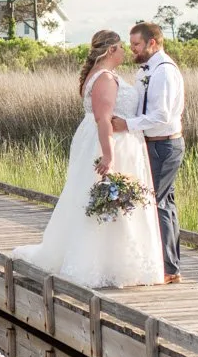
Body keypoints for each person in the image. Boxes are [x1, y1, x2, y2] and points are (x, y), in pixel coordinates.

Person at [12, 29, 163, 288]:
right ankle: (101, 263)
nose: (126, 51)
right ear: (110, 50)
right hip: (111, 143)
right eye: (121, 47)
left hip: (110, 141)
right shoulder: (104, 77)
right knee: (106, 200)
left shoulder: (101, 75)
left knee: (104, 201)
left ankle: (113, 261)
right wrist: (108, 155)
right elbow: (103, 119)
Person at [112, 22, 186, 284]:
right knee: (165, 203)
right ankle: (170, 266)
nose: (133, 50)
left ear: (152, 43)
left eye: (136, 45)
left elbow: (162, 114)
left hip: (165, 144)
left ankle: (168, 269)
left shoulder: (164, 72)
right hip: (153, 144)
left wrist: (127, 125)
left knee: (159, 204)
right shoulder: (148, 70)